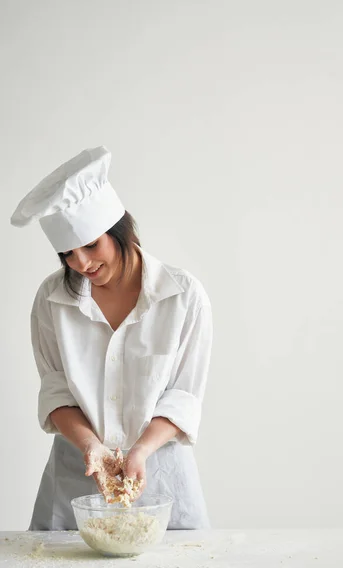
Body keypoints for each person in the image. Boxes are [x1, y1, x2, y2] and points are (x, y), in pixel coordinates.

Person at [10, 146, 212, 530]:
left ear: (120, 229)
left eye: (91, 245)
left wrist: (141, 449)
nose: (81, 264)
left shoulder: (183, 296)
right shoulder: (52, 301)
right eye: (67, 253)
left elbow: (184, 396)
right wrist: (92, 448)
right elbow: (56, 393)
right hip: (76, 485)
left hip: (162, 483)